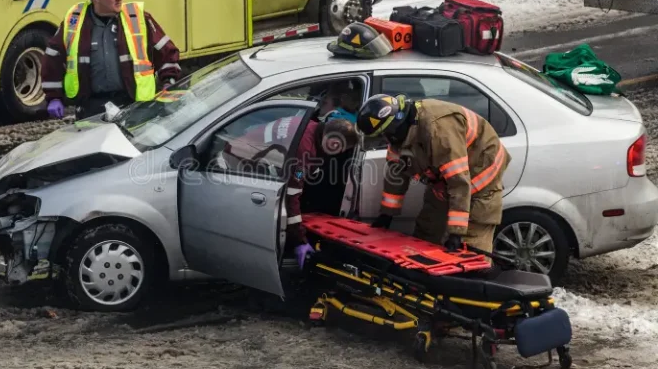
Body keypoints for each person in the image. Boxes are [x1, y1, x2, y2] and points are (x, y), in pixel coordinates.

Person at [355, 93, 511, 258]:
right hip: (445, 180)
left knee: (469, 247)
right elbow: (397, 174)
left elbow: (459, 182)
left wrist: (456, 232)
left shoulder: (438, 128)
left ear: (393, 128)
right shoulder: (399, 137)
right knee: (428, 229)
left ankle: (476, 279)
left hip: (480, 173)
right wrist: (387, 214)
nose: (384, 140)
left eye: (383, 135)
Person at [216, 114, 359, 268]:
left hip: (236, 151)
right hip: (235, 167)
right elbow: (292, 196)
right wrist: (299, 240)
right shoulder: (304, 151)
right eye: (341, 149)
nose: (339, 153)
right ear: (335, 142)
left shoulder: (308, 123)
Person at [41, 0, 182, 119]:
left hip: (133, 104)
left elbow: (167, 52)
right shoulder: (74, 22)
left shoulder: (138, 18)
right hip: (91, 106)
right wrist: (54, 97)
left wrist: (169, 83)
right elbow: (53, 57)